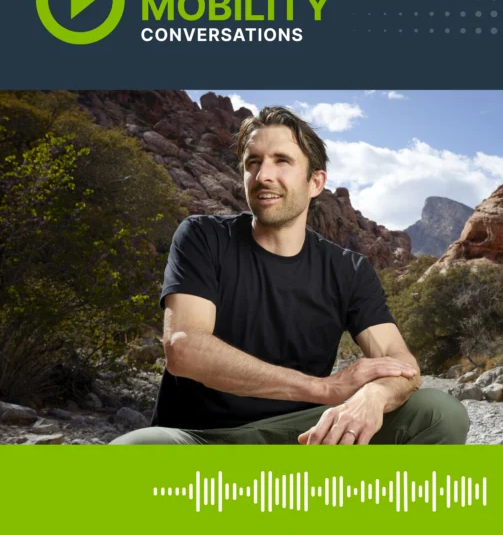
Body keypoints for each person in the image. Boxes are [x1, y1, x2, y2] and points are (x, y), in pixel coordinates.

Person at [111, 107, 469, 445]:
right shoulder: (203, 237)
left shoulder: (349, 270)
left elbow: (401, 362)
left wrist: (373, 397)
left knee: (440, 413)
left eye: (282, 160)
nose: (264, 175)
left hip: (305, 439)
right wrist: (324, 389)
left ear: (316, 182)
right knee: (135, 448)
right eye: (254, 163)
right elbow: (184, 348)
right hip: (200, 439)